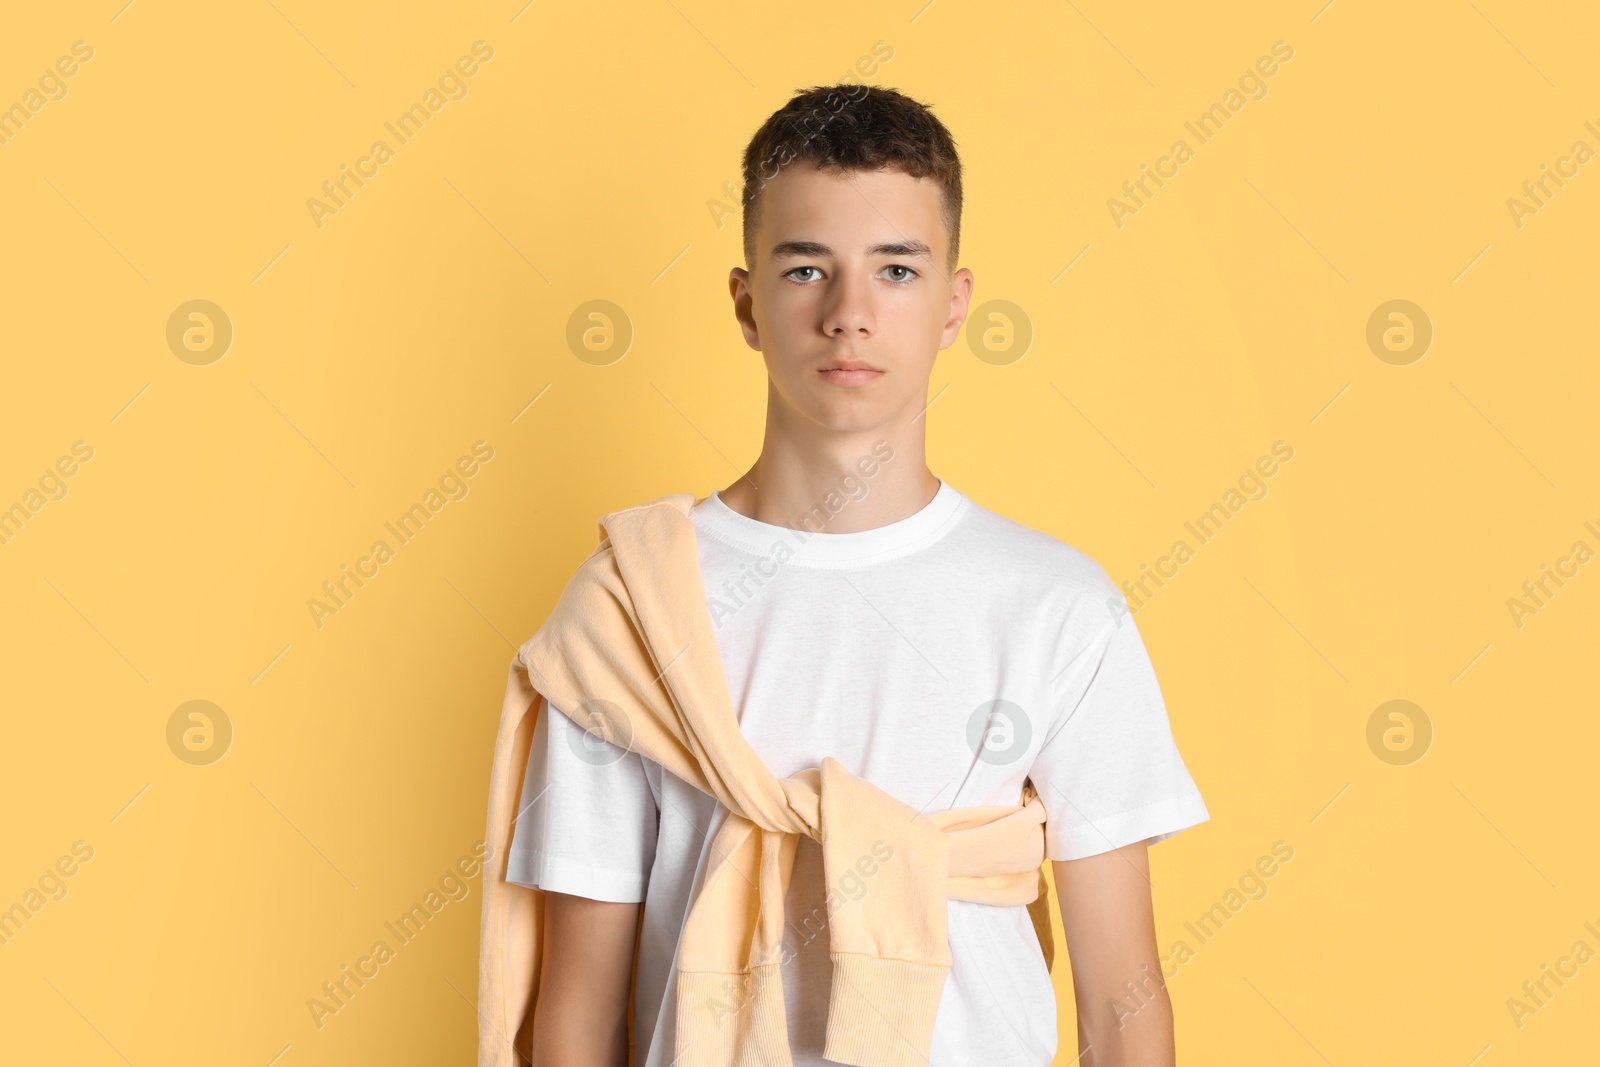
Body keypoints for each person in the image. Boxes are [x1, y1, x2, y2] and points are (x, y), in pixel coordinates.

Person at [507, 83, 1209, 1067]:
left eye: (895, 269)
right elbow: (576, 1016)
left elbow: (1120, 1002)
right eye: (805, 268)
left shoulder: (1058, 606)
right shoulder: (627, 608)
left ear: (953, 304)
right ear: (746, 302)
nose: (849, 313)